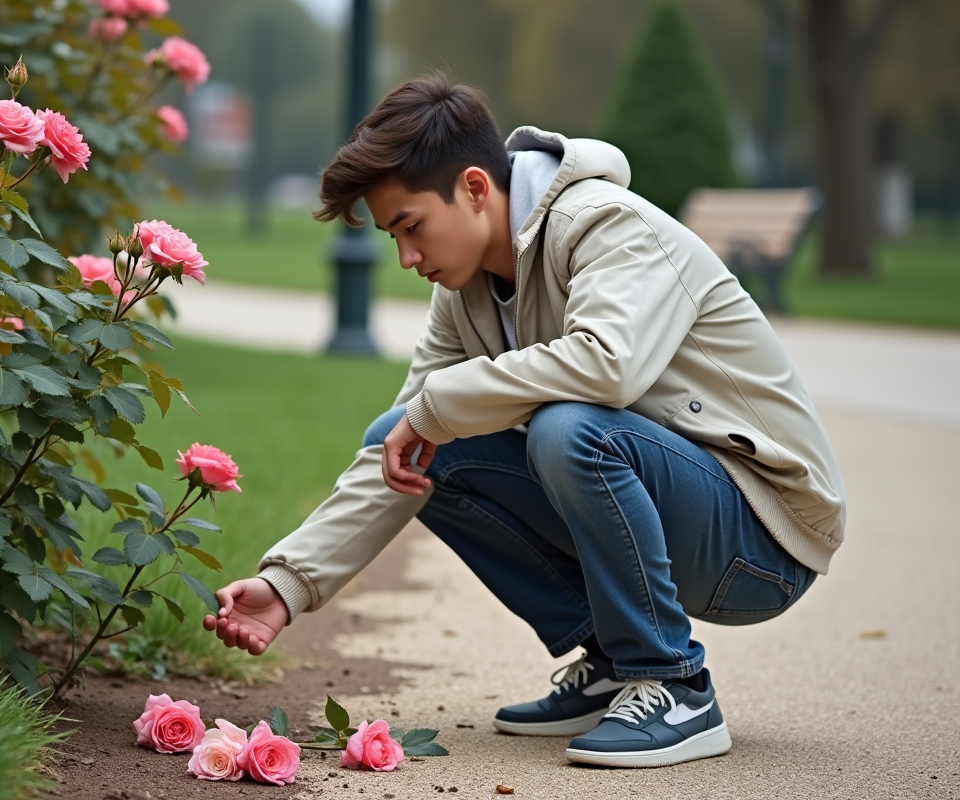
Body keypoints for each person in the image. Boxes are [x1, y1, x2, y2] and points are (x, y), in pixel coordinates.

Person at [200, 74, 845, 768]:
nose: (407, 258)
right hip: (676, 508)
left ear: (476, 188)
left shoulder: (605, 224)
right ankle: (610, 663)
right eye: (393, 238)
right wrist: (288, 585)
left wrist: (439, 406)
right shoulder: (467, 291)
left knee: (568, 430)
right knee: (415, 443)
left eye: (411, 227)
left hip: (761, 538)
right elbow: (405, 443)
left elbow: (608, 367)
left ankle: (674, 685)